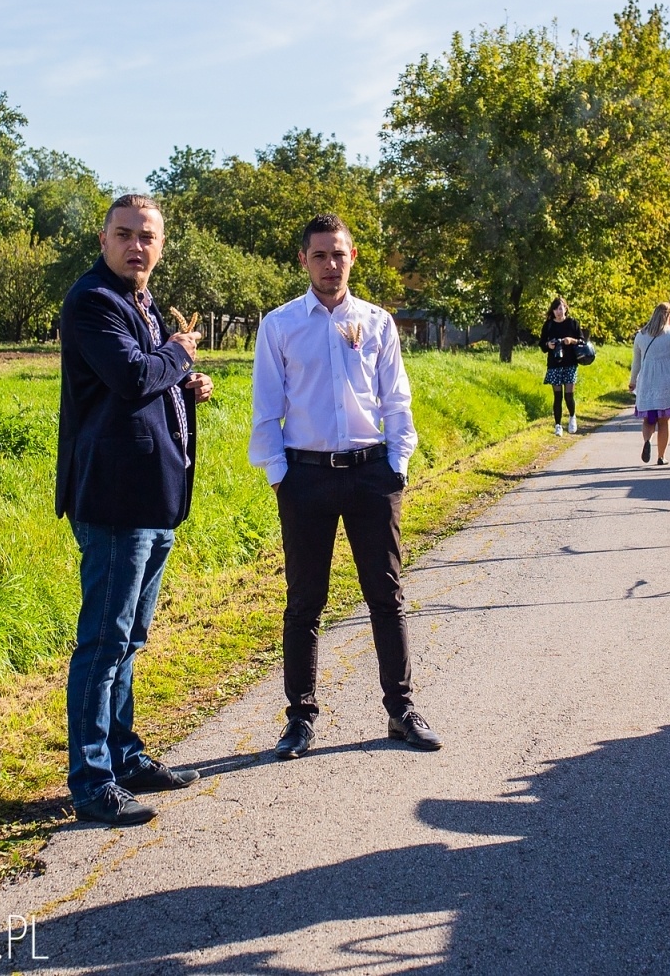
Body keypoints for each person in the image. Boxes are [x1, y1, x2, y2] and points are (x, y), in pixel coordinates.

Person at [250, 214, 441, 759]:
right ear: (303, 261)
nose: (330, 265)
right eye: (319, 255)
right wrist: (278, 475)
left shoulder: (378, 322)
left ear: (352, 257)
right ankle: (301, 718)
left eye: (339, 254)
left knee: (386, 595)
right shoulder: (281, 325)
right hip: (304, 476)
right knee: (304, 602)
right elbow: (267, 407)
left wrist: (397, 463)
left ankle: (401, 710)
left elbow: (396, 399)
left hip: (370, 474)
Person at [57, 193, 215, 827]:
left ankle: (124, 756)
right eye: (124, 235)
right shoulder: (93, 301)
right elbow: (129, 377)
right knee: (102, 642)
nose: (136, 246)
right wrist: (180, 355)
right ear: (104, 240)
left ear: (160, 244)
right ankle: (92, 780)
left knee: (130, 638)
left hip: (154, 499)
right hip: (115, 500)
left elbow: (148, 383)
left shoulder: (141, 306)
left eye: (146, 237)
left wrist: (184, 381)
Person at [629, 302, 670, 466]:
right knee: (665, 421)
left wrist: (632, 381)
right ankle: (661, 456)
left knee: (648, 420)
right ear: (668, 317)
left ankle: (647, 440)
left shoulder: (641, 335)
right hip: (667, 383)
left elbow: (636, 362)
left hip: (647, 383)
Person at [540, 297, 583, 436]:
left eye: (561, 308)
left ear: (565, 308)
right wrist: (548, 345)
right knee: (557, 396)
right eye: (556, 309)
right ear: (552, 311)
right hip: (554, 364)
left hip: (570, 363)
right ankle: (558, 425)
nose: (559, 311)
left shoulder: (572, 323)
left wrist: (571, 340)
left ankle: (572, 417)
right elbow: (541, 344)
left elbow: (582, 341)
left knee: (568, 395)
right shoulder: (548, 325)